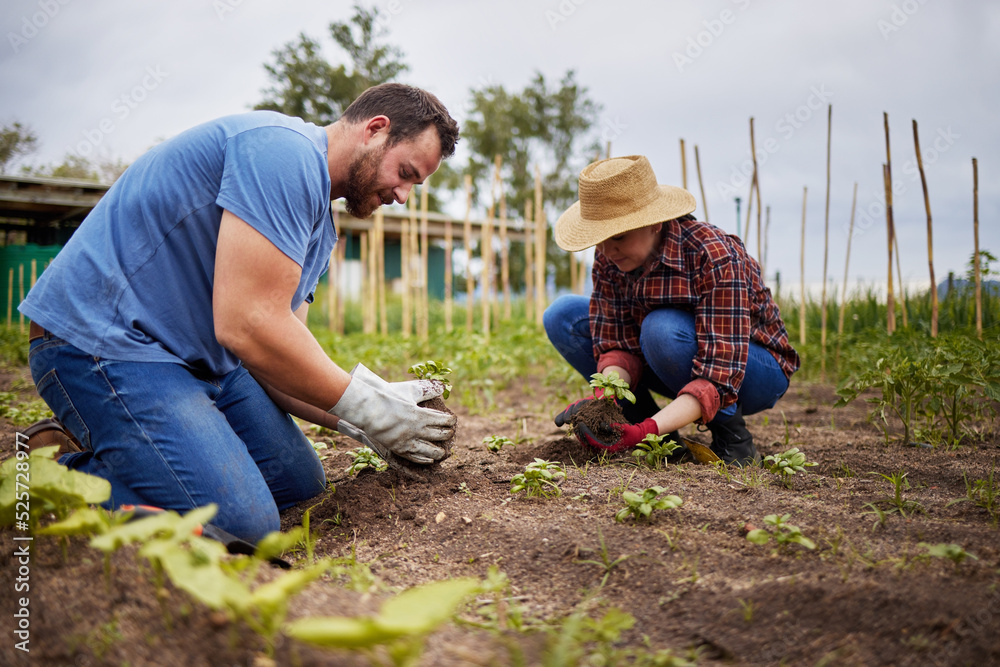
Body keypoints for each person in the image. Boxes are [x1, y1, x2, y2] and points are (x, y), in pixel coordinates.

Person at [19, 83, 459, 543]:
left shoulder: (319, 228)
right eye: (406, 172)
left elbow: (277, 359)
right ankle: (41, 478)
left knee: (298, 484)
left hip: (197, 359)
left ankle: (131, 457)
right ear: (375, 130)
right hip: (105, 344)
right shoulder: (281, 155)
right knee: (240, 526)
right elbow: (248, 324)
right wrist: (368, 409)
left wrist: (372, 411)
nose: (404, 195)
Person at [544, 155, 799, 466]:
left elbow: (718, 373)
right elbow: (617, 344)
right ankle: (650, 430)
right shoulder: (610, 258)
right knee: (562, 316)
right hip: (673, 359)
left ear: (654, 223)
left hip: (751, 371)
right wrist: (604, 399)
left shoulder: (712, 254)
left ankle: (733, 436)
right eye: (600, 240)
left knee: (660, 329)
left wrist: (643, 433)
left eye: (619, 237)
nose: (607, 250)